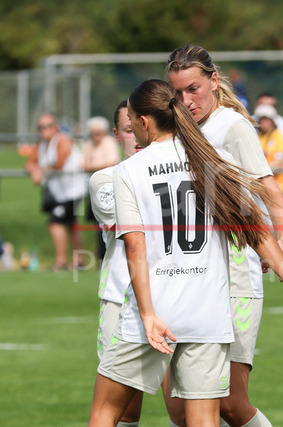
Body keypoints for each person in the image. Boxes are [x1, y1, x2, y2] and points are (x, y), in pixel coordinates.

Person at [88, 79, 283, 427]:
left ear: (143, 122)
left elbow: (135, 248)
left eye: (133, 121)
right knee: (203, 421)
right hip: (207, 313)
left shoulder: (129, 170)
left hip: (154, 312)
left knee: (107, 412)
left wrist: (148, 314)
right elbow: (254, 229)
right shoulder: (216, 160)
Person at [166, 44, 283, 427]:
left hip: (236, 278)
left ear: (213, 81)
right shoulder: (181, 129)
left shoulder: (232, 126)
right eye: (177, 92)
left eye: (193, 89)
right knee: (181, 407)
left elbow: (271, 191)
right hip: (195, 278)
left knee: (230, 403)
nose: (186, 100)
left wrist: (282, 243)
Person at [89, 101, 185, 427]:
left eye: (141, 127)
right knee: (124, 410)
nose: (138, 136)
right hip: (122, 299)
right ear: (117, 135)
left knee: (184, 410)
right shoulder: (105, 179)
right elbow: (143, 227)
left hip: (174, 295)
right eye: (129, 130)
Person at [25, 113, 86, 270]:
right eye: (40, 127)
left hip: (73, 190)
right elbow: (30, 162)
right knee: (71, 224)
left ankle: (61, 261)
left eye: (48, 126)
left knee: (55, 223)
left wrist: (40, 170)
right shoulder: (41, 144)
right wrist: (33, 170)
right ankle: (79, 261)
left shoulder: (62, 140)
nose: (44, 130)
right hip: (60, 192)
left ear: (56, 127)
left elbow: (59, 163)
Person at [83, 116, 121, 260]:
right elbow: (83, 164)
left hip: (108, 189)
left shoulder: (109, 142)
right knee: (98, 224)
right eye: (93, 133)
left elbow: (112, 163)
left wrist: (93, 167)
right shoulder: (88, 144)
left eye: (98, 133)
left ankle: (109, 255)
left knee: (109, 223)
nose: (95, 136)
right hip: (93, 190)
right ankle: (102, 255)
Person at [254, 104, 283, 196]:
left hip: (278, 182)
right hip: (260, 183)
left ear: (272, 121)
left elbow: (281, 157)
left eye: (266, 120)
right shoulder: (255, 136)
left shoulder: (278, 135)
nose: (263, 122)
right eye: (261, 119)